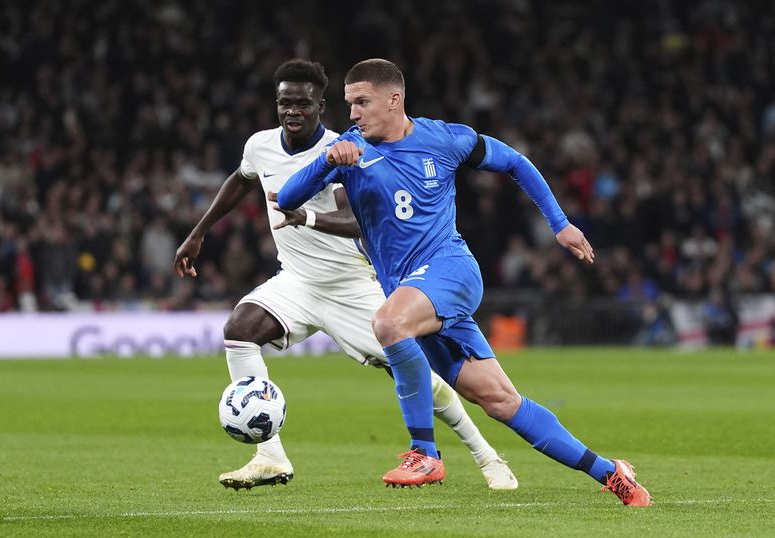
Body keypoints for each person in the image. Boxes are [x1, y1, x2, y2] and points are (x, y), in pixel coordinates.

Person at [277, 58, 651, 505]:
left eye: (362, 102)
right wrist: (325, 161)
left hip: (450, 270)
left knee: (388, 324)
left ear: (393, 100)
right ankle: (611, 472)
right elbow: (288, 198)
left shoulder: (444, 138)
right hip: (413, 295)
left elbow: (515, 162)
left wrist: (560, 224)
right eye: (349, 104)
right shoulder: (349, 151)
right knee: (501, 402)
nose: (353, 114)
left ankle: (424, 453)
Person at [174, 59, 517, 491]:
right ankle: (269, 456)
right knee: (239, 331)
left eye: (303, 103)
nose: (292, 111)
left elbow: (360, 220)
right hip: (297, 281)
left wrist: (308, 218)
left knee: (415, 376)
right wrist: (198, 232)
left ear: (320, 106)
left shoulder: (346, 150)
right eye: (284, 102)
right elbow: (241, 180)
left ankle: (486, 455)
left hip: (350, 285)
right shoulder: (260, 146)